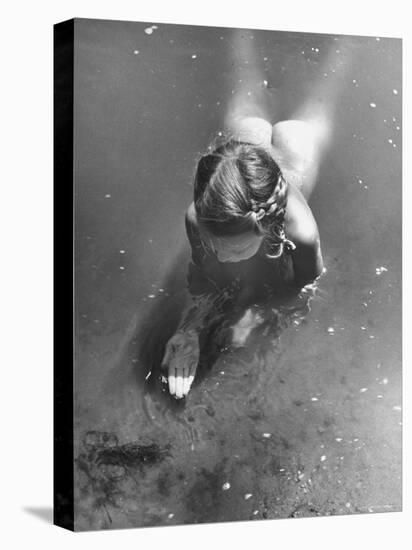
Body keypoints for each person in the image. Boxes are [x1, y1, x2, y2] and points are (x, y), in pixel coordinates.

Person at [160, 32, 350, 399]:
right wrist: (188, 329)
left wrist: (256, 316)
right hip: (242, 160)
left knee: (315, 109)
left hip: (296, 158)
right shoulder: (198, 218)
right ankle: (239, 28)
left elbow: (301, 289)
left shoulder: (301, 230)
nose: (220, 256)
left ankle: (343, 45)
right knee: (245, 91)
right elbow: (202, 279)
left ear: (266, 229)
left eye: (231, 251)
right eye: (217, 246)